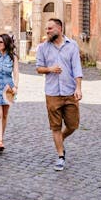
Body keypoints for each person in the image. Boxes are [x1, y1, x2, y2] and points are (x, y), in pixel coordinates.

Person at [35, 18, 83, 171]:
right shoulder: (42, 48)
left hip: (69, 91)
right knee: (55, 127)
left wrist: (79, 88)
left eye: (50, 28)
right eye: (46, 29)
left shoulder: (72, 46)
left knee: (72, 125)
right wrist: (49, 69)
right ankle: (61, 156)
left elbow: (77, 68)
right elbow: (38, 68)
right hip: (52, 92)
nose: (47, 31)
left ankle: (59, 141)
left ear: (59, 29)